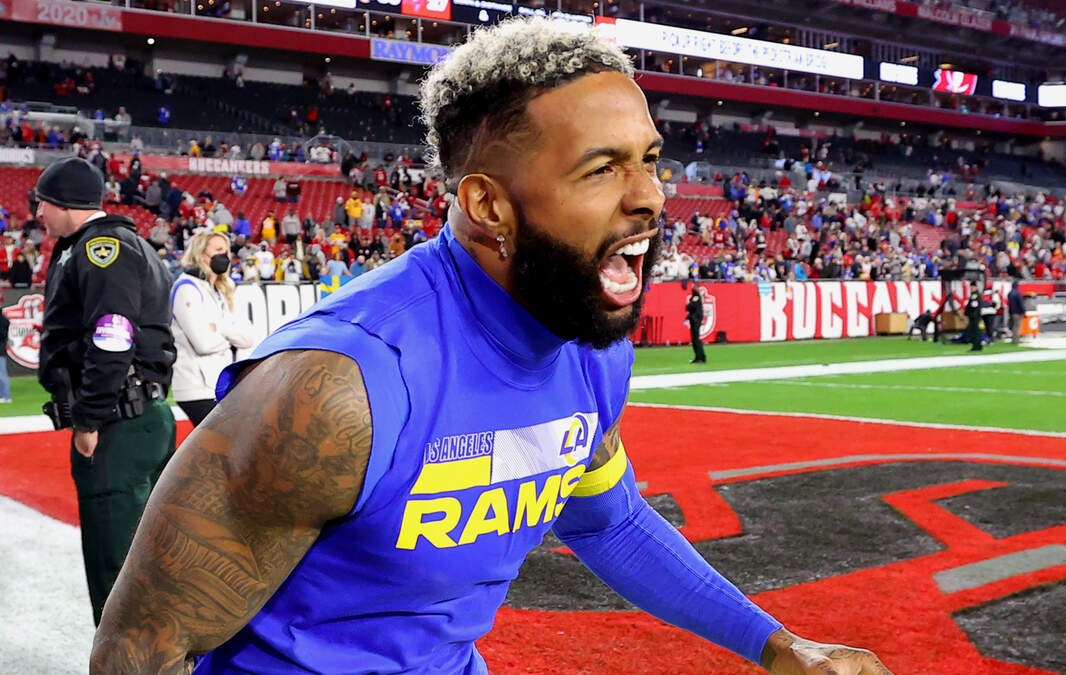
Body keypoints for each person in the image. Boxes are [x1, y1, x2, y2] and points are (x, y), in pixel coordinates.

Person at [92, 19, 892, 675]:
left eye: (649, 160)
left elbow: (608, 520)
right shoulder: (336, 390)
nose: (651, 196)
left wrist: (777, 644)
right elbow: (138, 650)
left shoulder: (588, 339)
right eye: (601, 170)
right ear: (487, 206)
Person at [34, 156, 176, 626]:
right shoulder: (120, 243)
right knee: (150, 562)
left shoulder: (101, 247)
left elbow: (112, 335)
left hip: (119, 420)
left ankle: (128, 659)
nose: (38, 212)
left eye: (44, 202)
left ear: (65, 202)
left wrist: (89, 417)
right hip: (136, 412)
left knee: (115, 568)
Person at [169, 230, 253, 426]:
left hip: (217, 384)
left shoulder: (222, 290)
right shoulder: (186, 288)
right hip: (196, 388)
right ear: (200, 253)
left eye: (226, 251)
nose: (224, 256)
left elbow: (248, 338)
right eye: (218, 250)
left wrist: (218, 327)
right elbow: (204, 344)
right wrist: (230, 335)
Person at [686, 285, 707, 363]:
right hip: (695, 319)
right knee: (696, 339)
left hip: (695, 319)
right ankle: (701, 356)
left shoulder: (696, 297)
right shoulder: (696, 297)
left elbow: (691, 306)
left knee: (695, 339)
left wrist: (688, 306)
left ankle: (699, 357)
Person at [965, 286, 984, 351]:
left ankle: (975, 347)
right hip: (976, 316)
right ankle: (978, 346)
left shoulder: (975, 295)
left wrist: (970, 314)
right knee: (977, 332)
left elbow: (974, 306)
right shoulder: (977, 295)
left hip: (974, 317)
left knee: (975, 332)